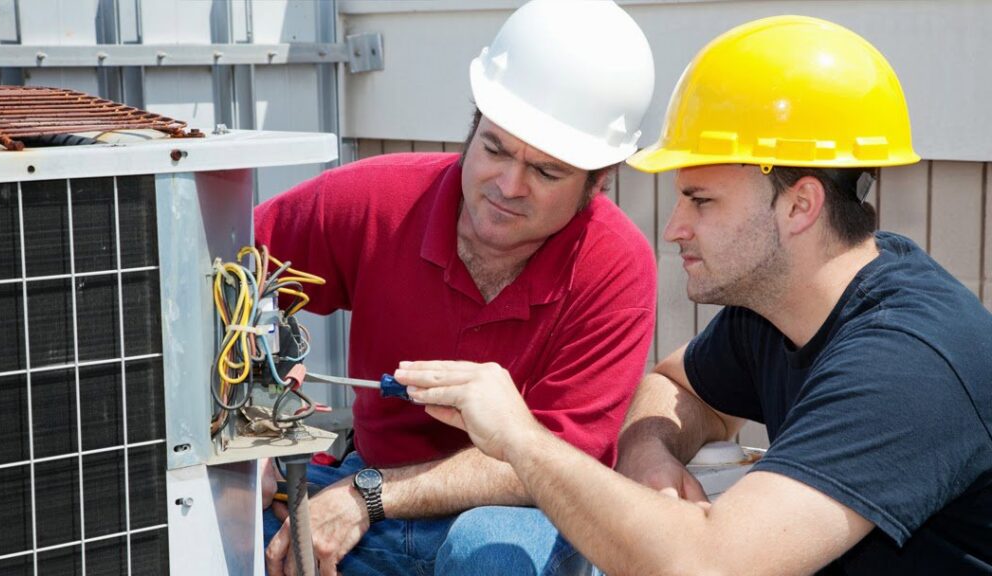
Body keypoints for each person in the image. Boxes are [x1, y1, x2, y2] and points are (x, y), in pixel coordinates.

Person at [398, 15, 992, 575]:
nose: (673, 227)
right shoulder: (781, 307)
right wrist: (650, 457)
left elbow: (705, 565)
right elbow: (676, 385)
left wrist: (520, 439)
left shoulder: (906, 365)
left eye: (701, 200)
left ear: (800, 205)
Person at [254, 1, 658, 574]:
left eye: (547, 172)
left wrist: (367, 496)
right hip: (360, 492)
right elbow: (218, 281)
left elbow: (559, 461)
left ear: (599, 180)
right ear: (472, 125)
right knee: (226, 525)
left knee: (490, 552)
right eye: (494, 148)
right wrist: (255, 418)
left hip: (515, 510)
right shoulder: (375, 202)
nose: (508, 186)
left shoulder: (616, 267)